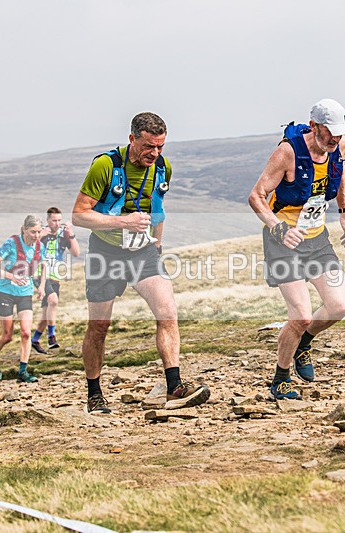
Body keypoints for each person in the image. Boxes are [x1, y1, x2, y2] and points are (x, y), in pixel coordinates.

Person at [72, 112, 210, 414]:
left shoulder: (162, 167)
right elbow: (79, 215)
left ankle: (175, 386)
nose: (155, 153)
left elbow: (157, 209)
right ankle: (94, 394)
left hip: (142, 253)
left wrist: (157, 244)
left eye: (160, 146)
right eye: (149, 146)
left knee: (167, 312)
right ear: (132, 139)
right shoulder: (106, 166)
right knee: (99, 327)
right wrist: (123, 222)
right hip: (106, 252)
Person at [248, 98, 345, 400]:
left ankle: (303, 344)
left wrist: (344, 213)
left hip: (316, 238)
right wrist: (278, 228)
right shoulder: (288, 153)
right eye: (329, 131)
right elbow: (256, 196)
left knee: (339, 306)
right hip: (283, 241)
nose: (334, 138)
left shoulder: (339, 145)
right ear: (314, 127)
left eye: (339, 131)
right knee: (301, 316)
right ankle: (280, 379)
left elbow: (340, 174)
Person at [0, 215, 47, 383]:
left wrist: (41, 287)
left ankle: (23, 371)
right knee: (7, 336)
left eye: (39, 232)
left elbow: (44, 267)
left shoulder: (40, 246)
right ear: (24, 230)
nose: (36, 236)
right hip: (5, 292)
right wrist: (11, 276)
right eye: (33, 232)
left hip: (25, 293)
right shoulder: (11, 243)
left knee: (26, 332)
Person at [31, 207, 80, 353]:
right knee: (53, 300)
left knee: (47, 313)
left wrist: (71, 234)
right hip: (39, 273)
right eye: (54, 220)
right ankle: (51, 337)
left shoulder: (63, 235)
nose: (57, 223)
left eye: (59, 220)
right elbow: (27, 248)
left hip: (54, 276)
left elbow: (76, 253)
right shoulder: (39, 233)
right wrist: (40, 236)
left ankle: (34, 340)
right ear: (47, 220)